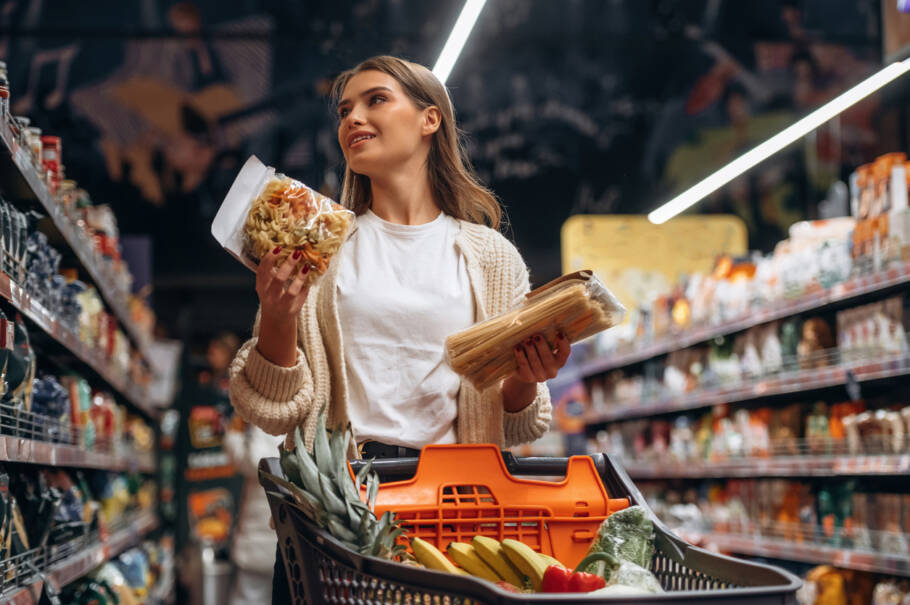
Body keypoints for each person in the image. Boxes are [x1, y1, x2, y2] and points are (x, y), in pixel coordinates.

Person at [228, 55, 572, 602]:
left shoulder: (492, 258)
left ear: (429, 120)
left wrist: (528, 377)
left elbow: (515, 422)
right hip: (339, 513)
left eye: (375, 100)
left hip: (455, 512)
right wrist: (277, 316)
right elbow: (273, 407)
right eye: (345, 110)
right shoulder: (319, 242)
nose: (353, 119)